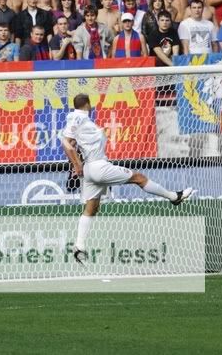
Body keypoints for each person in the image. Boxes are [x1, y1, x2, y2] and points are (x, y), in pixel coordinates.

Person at [61, 93, 193, 264]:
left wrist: (78, 161)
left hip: (91, 170)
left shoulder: (83, 121)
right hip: (98, 166)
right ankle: (174, 197)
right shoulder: (77, 118)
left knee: (91, 208)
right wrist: (76, 164)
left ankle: (79, 247)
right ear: (88, 104)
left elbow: (71, 143)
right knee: (139, 178)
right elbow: (66, 142)